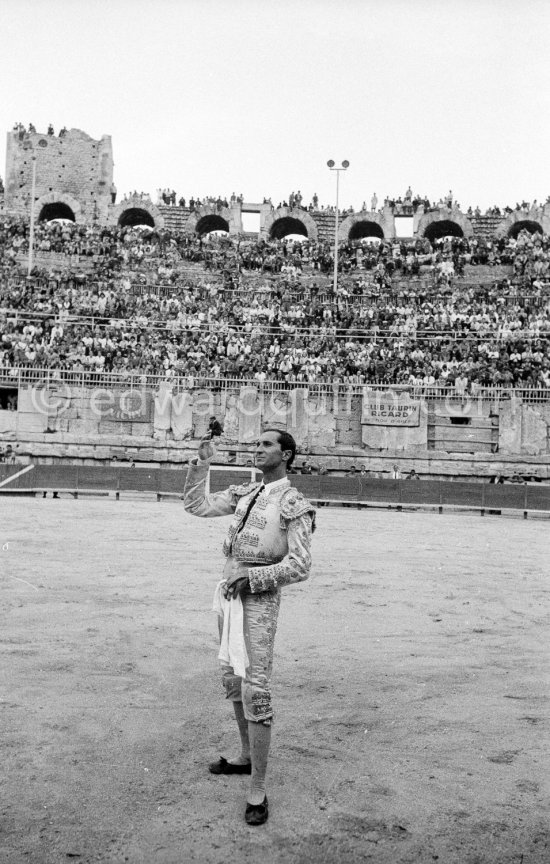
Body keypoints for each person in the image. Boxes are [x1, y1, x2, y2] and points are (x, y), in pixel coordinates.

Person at [183, 428, 316, 826]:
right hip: (227, 590)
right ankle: (244, 757)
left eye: (266, 445)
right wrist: (202, 462)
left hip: (258, 597)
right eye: (256, 444)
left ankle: (258, 788)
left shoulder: (295, 503)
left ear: (286, 455)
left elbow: (301, 565)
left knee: (256, 685)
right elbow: (195, 506)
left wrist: (255, 580)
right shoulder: (245, 492)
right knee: (232, 677)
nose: (257, 450)